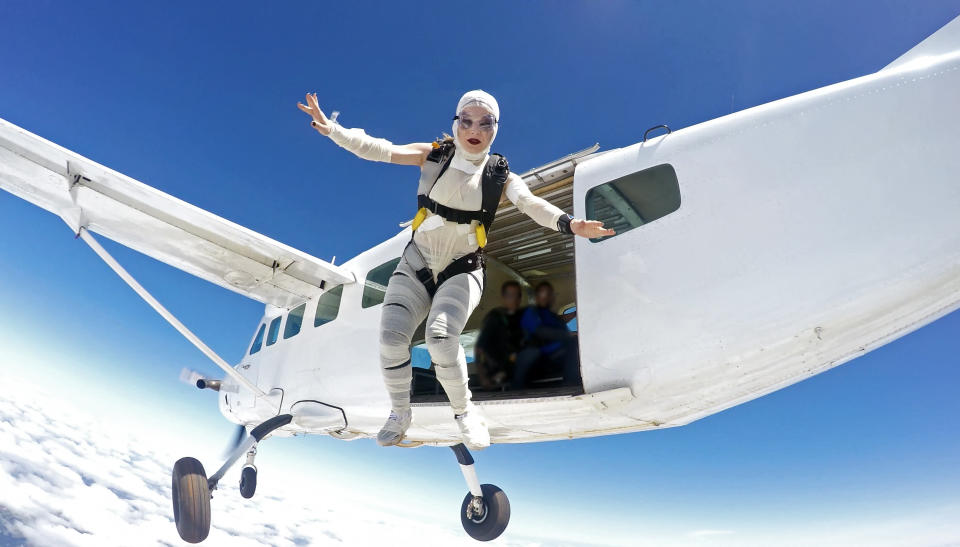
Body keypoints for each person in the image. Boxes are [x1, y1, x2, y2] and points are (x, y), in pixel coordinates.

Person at [298, 89, 613, 449]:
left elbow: (530, 204)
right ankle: (400, 412)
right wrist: (334, 130)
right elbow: (379, 148)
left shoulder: (500, 176)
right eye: (466, 121)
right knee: (390, 339)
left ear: (496, 128)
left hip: (463, 270)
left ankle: (465, 413)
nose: (474, 129)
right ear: (456, 123)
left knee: (442, 339)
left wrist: (570, 224)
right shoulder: (433, 156)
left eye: (485, 122)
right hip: (416, 263)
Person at [513, 281, 580, 390]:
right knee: (572, 342)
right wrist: (571, 334)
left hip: (552, 356)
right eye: (543, 295)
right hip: (537, 358)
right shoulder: (530, 313)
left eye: (549, 295)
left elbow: (559, 320)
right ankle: (571, 384)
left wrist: (575, 313)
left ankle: (575, 379)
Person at [474, 280, 526, 388]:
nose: (515, 300)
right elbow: (480, 348)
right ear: (504, 298)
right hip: (500, 366)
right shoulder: (495, 318)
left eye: (517, 296)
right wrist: (483, 377)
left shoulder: (521, 317)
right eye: (510, 295)